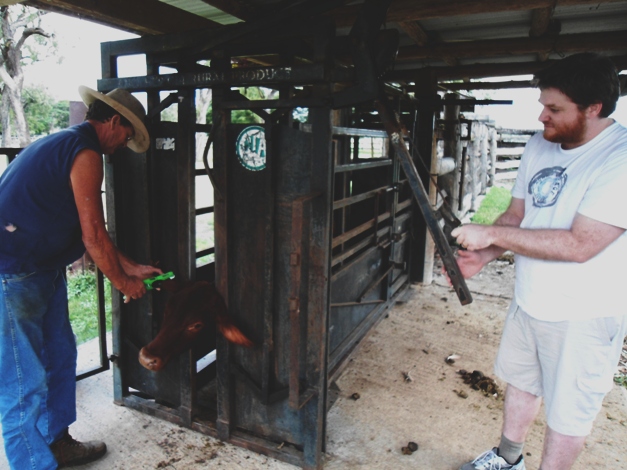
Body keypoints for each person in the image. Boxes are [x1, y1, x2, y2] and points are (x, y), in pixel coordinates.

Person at [451, 52, 627, 470]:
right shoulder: (540, 143)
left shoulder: (619, 158)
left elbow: (581, 244)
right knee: (522, 383)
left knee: (568, 412)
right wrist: (485, 255)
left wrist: (491, 233)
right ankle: (508, 459)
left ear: (593, 108)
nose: (542, 116)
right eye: (542, 105)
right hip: (531, 300)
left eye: (554, 108)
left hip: (584, 313)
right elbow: (517, 215)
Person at [0, 86, 161, 469]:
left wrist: (129, 266)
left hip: (42, 269)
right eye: (127, 135)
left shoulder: (68, 145)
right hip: (12, 272)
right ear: (113, 121)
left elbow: (91, 231)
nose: (125, 143)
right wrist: (124, 284)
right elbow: (92, 234)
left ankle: (57, 442)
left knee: (59, 356)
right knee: (23, 380)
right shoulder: (84, 153)